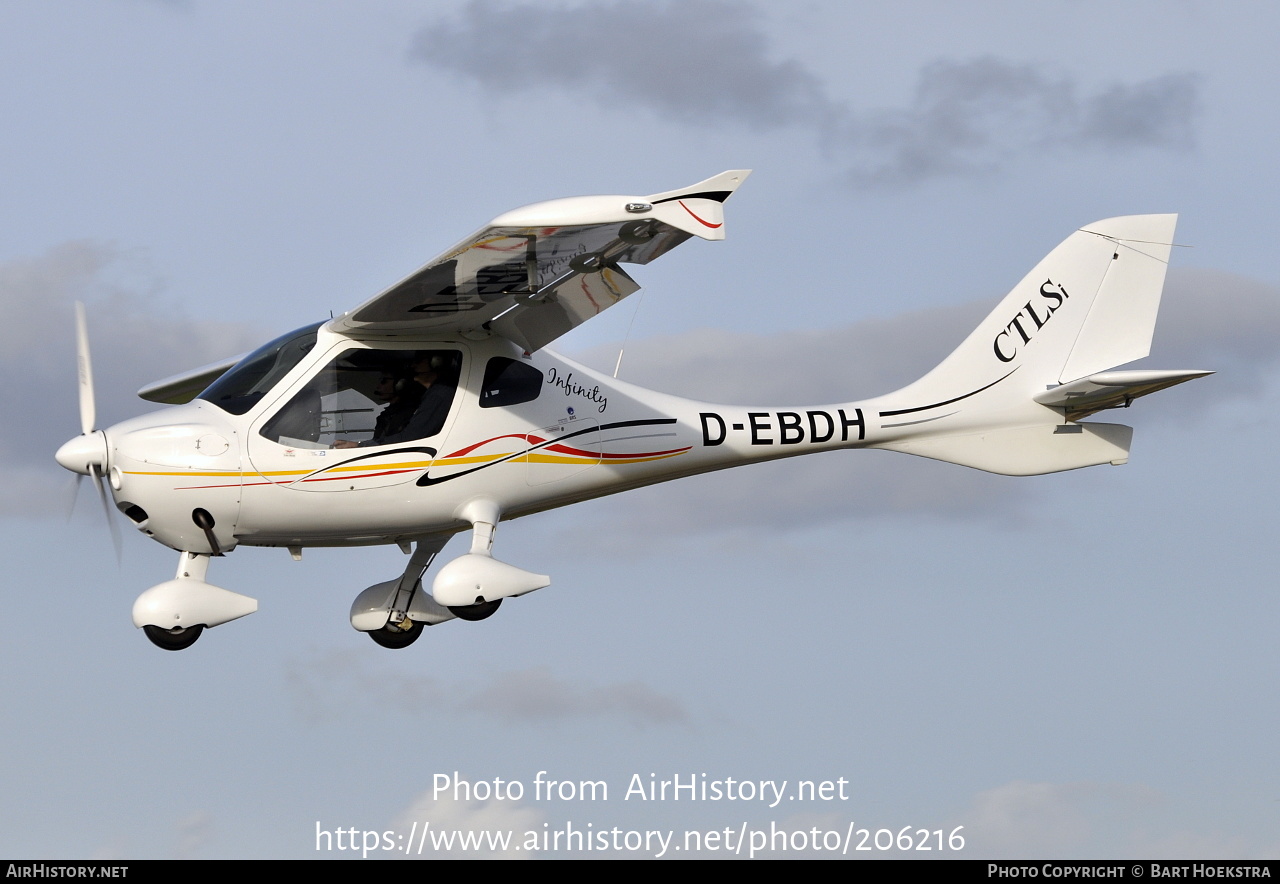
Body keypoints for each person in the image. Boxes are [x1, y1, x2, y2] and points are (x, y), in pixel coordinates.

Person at [334, 353, 455, 449]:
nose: (413, 366)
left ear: (436, 362)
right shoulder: (429, 397)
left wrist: (360, 446)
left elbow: (410, 438)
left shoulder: (439, 396)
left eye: (418, 361)